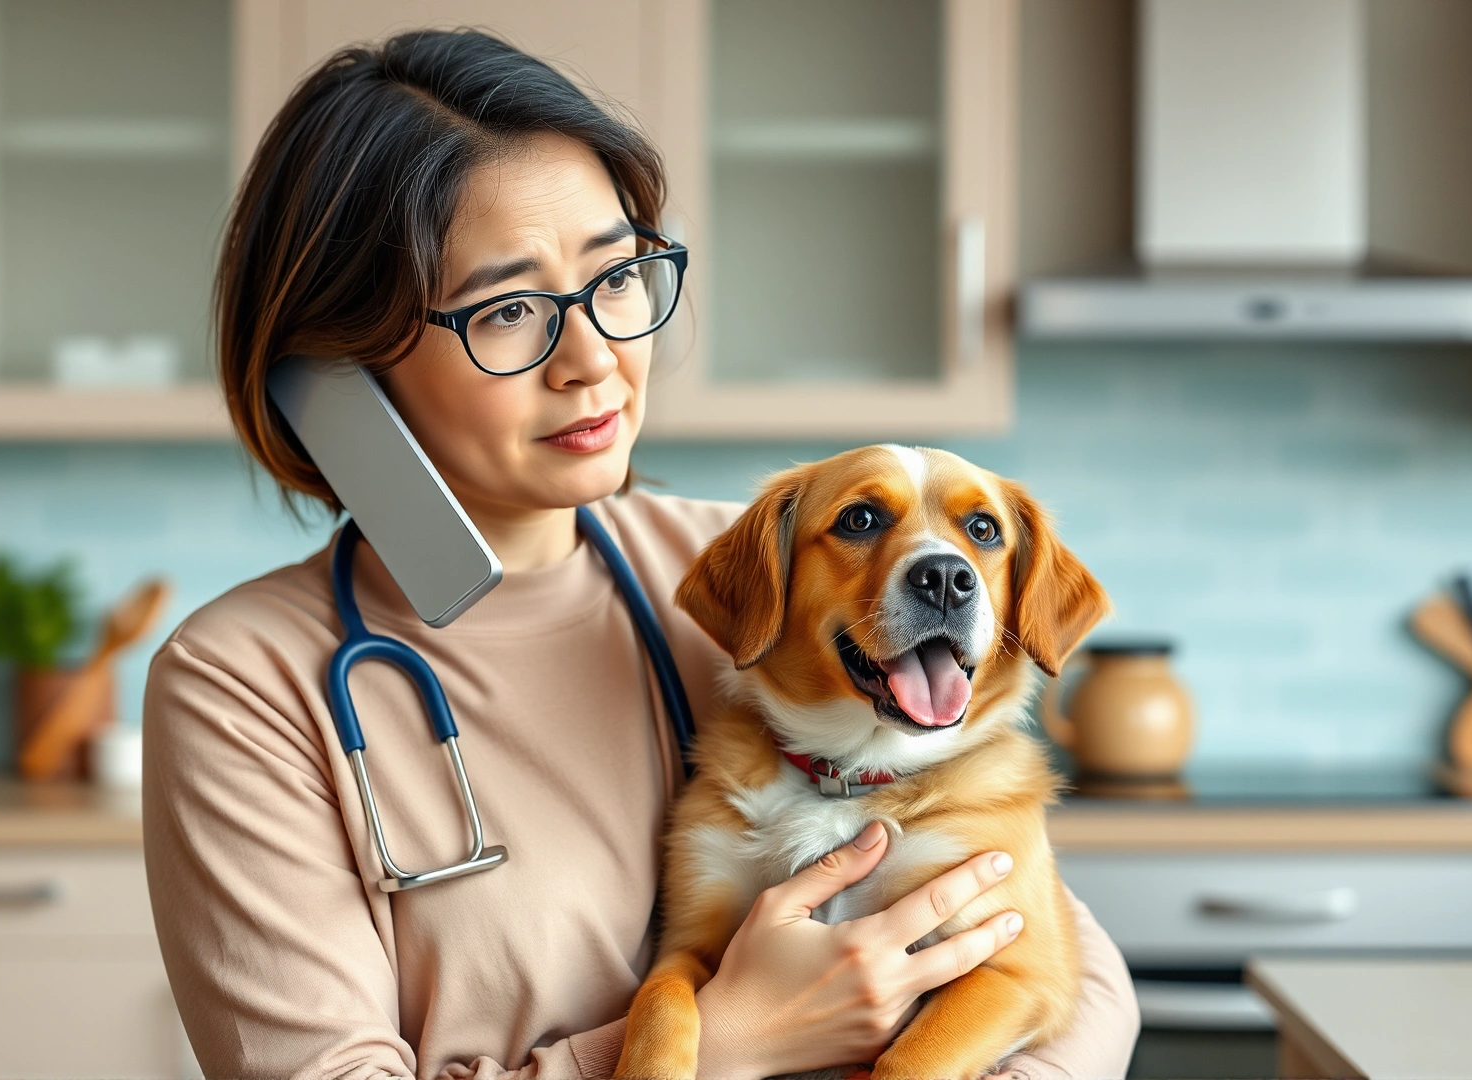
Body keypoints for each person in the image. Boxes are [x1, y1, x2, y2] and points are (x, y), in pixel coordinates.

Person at [143, 28, 1139, 1080]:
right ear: (334, 368)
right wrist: (726, 1046)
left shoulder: (750, 575)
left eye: (618, 279)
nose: (595, 360)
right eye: (510, 310)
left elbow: (1074, 973)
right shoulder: (241, 686)